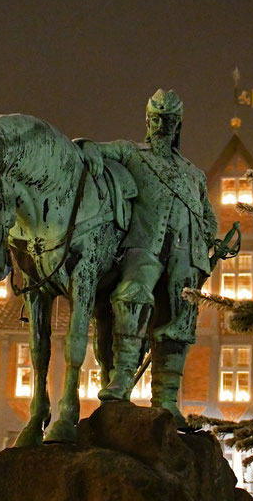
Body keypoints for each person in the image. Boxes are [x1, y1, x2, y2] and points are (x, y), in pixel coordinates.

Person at [78, 89, 217, 426]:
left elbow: (209, 219)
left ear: (178, 125)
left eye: (166, 120)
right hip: (144, 246)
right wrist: (87, 148)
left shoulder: (194, 174)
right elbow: (91, 148)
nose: (159, 125)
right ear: (147, 120)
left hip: (186, 254)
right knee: (131, 296)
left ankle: (166, 400)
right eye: (154, 118)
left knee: (179, 322)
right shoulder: (132, 153)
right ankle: (122, 378)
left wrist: (213, 240)